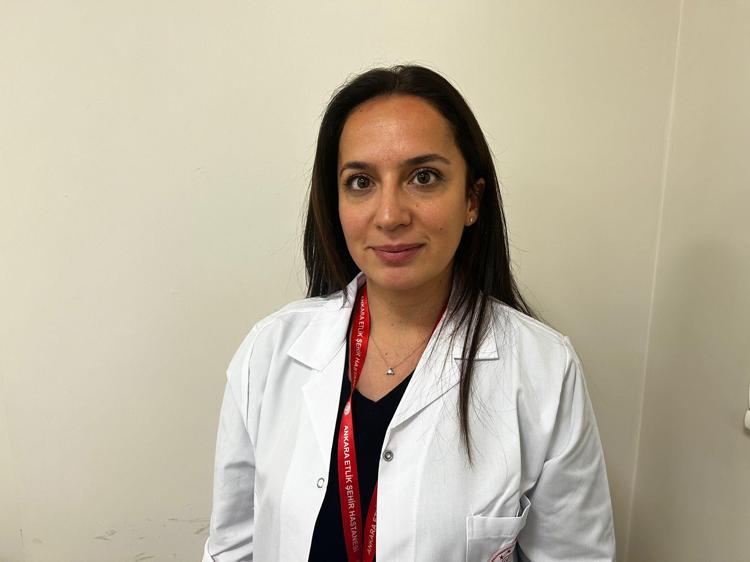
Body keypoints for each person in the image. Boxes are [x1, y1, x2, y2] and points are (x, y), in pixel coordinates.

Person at [202, 64, 615, 562]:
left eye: (424, 177)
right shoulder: (269, 353)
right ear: (335, 202)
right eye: (360, 182)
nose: (390, 215)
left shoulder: (543, 369)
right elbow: (232, 550)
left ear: (472, 200)